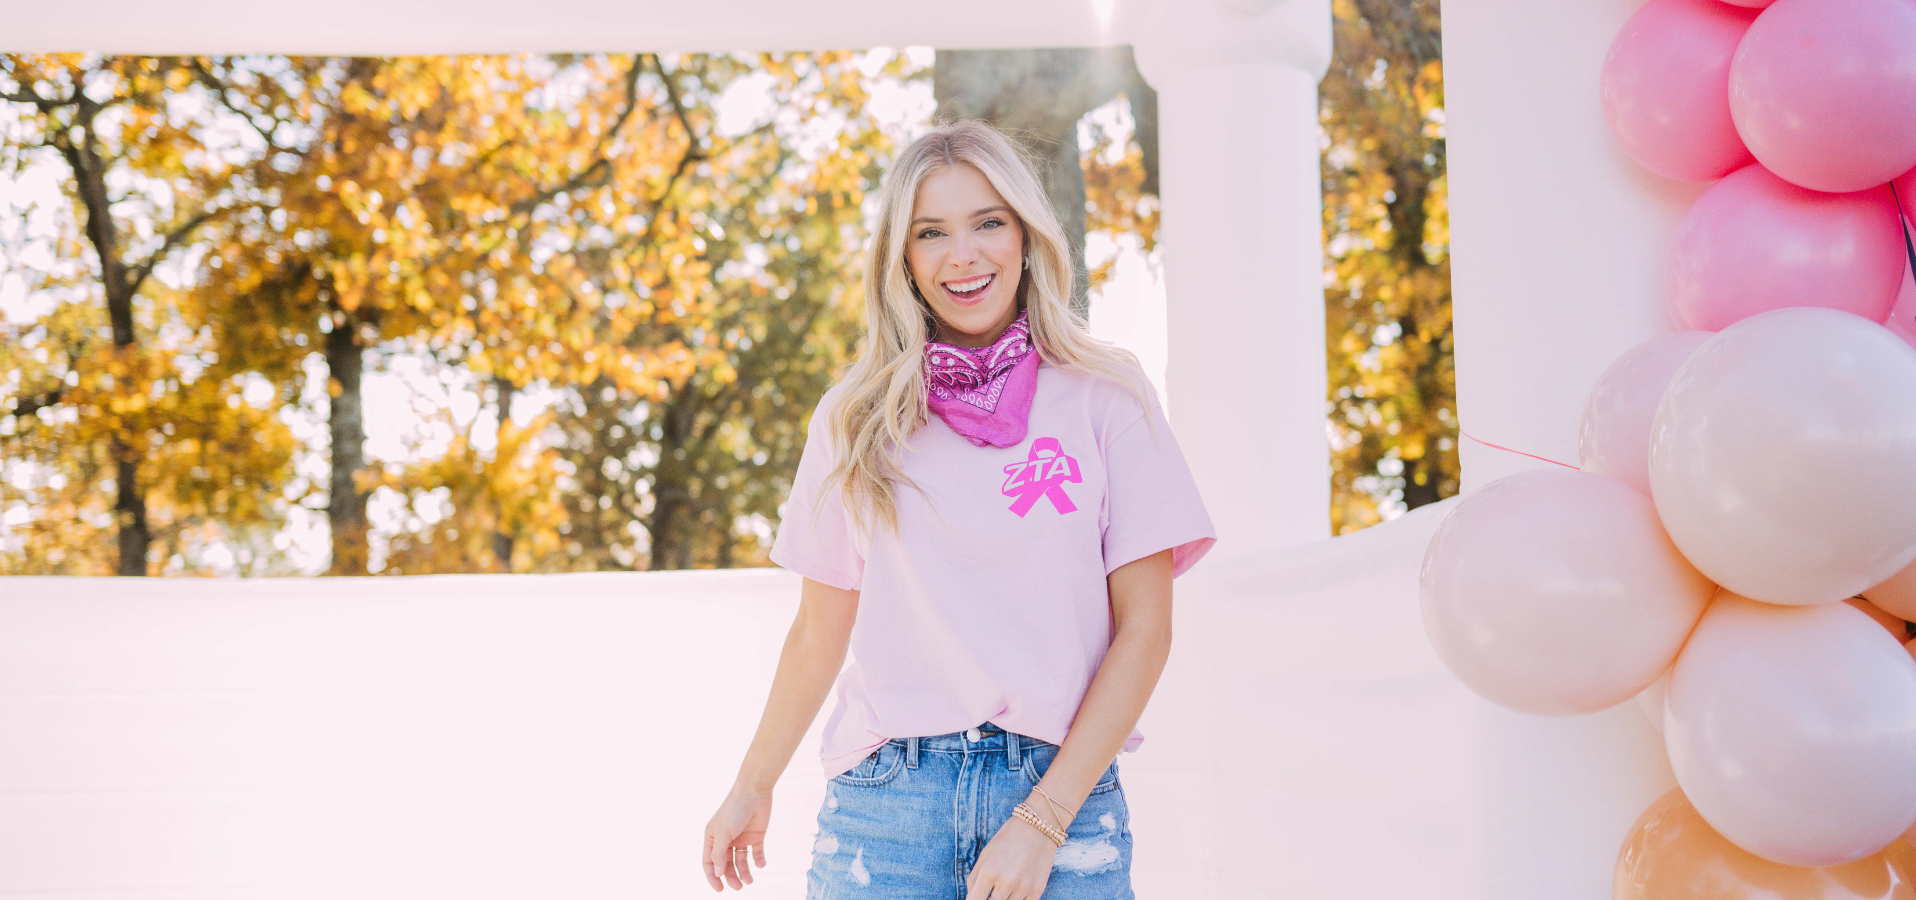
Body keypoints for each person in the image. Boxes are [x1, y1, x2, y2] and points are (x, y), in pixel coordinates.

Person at [700, 120, 1215, 899]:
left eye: (988, 222)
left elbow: (1146, 630)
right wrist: (752, 782)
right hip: (886, 810)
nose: (963, 254)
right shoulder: (853, 419)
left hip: (1062, 796)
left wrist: (1043, 821)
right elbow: (820, 628)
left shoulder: (1109, 399)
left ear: (1026, 235)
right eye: (930, 232)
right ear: (901, 259)